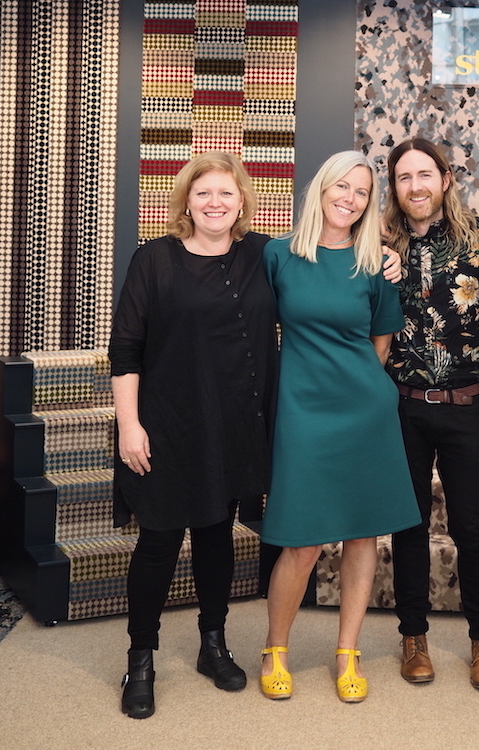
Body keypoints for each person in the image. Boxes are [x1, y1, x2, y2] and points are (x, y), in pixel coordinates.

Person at [109, 151, 280, 719]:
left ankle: (213, 644)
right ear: (186, 200)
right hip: (166, 425)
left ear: (242, 202)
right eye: (203, 192)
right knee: (158, 543)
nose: (214, 203)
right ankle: (140, 660)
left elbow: (325, 261)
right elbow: (126, 349)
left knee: (215, 536)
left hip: (233, 425)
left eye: (226, 193)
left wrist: (384, 258)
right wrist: (129, 425)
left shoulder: (262, 255)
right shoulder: (154, 260)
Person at [259, 150, 421, 703]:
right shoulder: (278, 255)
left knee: (362, 535)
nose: (349, 199)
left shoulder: (375, 263)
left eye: (361, 192)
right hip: (302, 413)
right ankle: (275, 648)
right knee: (301, 543)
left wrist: (358, 391)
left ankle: (348, 653)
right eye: (341, 187)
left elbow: (381, 344)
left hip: (365, 413)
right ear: (321, 189)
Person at [382, 138, 479, 690]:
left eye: (424, 174)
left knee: (471, 528)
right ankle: (413, 638)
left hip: (466, 405)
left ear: (445, 178)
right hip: (402, 407)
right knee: (407, 525)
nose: (416, 186)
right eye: (404, 177)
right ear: (395, 187)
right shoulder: (380, 242)